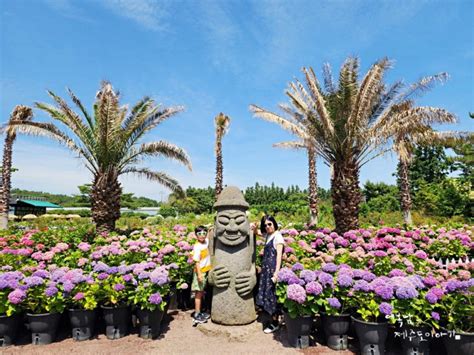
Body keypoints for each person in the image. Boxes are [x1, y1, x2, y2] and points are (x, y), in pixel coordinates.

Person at [255, 215, 285, 334]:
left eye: (269, 224)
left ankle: (275, 323)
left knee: (272, 295)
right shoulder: (268, 235)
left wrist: (276, 273)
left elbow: (279, 257)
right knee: (267, 293)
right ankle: (272, 319)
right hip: (266, 269)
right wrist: (254, 227)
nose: (267, 227)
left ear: (274, 223)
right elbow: (257, 232)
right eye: (265, 225)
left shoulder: (278, 237)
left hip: (272, 269)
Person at [191, 225, 212, 324]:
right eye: (199, 234)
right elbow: (197, 262)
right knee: (198, 293)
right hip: (201, 272)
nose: (202, 236)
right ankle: (197, 314)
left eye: (204, 233)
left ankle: (201, 311)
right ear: (196, 235)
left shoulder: (206, 241)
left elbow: (210, 234)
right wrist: (199, 274)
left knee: (203, 292)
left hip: (207, 270)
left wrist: (209, 227)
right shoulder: (197, 246)